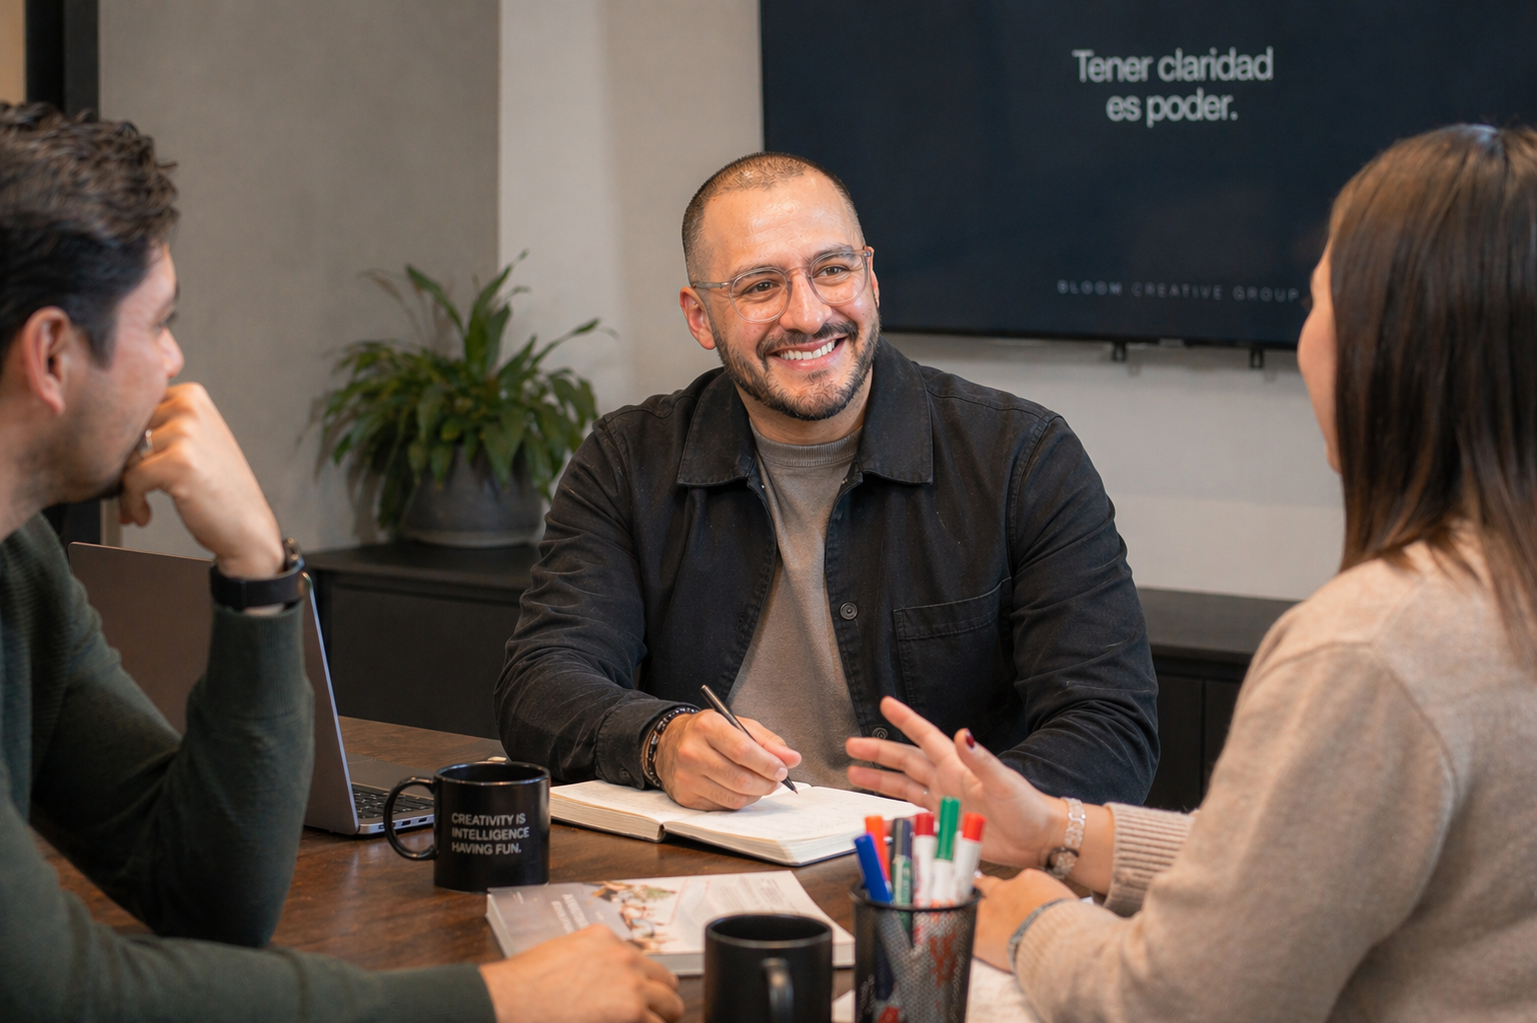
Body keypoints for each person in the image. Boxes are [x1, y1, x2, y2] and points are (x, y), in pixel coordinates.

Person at [0, 104, 682, 1023]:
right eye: (158, 323)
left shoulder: (21, 561)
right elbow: (62, 995)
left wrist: (257, 571)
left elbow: (206, 894)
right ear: (51, 353)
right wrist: (492, 1002)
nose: (175, 361)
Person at [849, 124, 1537, 1021]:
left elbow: (1181, 999)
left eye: (1316, 300)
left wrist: (1029, 918)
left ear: (1386, 347)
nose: (1304, 339)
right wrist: (1059, 831)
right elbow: (1298, 866)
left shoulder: (1369, 649)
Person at [496, 152, 1159, 812]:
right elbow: (541, 682)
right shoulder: (626, 460)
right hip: (705, 871)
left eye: (832, 270)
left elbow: (1109, 728)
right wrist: (660, 740)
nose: (807, 316)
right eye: (759, 285)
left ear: (870, 277)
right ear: (700, 316)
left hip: (932, 873)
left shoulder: (1023, 458)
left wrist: (957, 810)